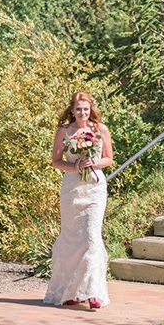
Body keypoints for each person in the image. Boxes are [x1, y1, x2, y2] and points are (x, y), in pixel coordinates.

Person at [44, 91, 114, 310]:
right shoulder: (64, 131)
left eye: (86, 109)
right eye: (78, 109)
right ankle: (71, 291)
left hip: (94, 188)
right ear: (72, 110)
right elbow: (56, 161)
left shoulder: (99, 129)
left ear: (90, 109)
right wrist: (74, 166)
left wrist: (94, 161)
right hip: (72, 189)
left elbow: (109, 159)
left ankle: (93, 291)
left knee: (92, 237)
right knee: (72, 238)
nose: (82, 113)